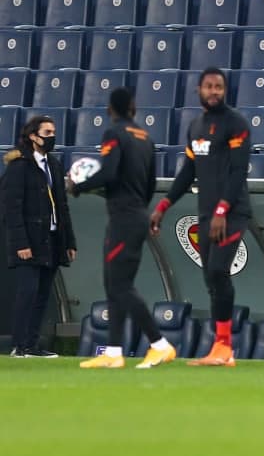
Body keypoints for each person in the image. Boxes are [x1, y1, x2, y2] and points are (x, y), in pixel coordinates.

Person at [149, 68, 252, 367]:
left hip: (232, 213)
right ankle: (221, 350)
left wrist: (222, 210)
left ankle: (224, 347)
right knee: (211, 279)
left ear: (225, 90)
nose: (214, 91)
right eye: (209, 86)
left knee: (219, 271)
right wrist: (164, 205)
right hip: (206, 214)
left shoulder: (236, 123)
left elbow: (238, 171)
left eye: (219, 86)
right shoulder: (195, 126)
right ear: (199, 90)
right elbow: (188, 172)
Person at [72, 88, 178, 369]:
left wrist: (78, 186)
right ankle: (114, 352)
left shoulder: (114, 134)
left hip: (123, 219)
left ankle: (159, 344)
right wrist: (140, 209)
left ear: (110, 110)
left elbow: (109, 172)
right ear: (133, 108)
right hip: (137, 214)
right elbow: (151, 183)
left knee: (120, 285)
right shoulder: (146, 138)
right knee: (114, 284)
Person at [3, 115, 76, 357]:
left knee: (42, 294)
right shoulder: (19, 166)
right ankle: (19, 344)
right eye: (47, 133)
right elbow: (11, 209)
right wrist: (21, 243)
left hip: (51, 239)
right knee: (28, 292)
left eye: (53, 132)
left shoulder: (53, 164)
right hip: (30, 240)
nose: (52, 137)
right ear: (33, 136)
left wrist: (69, 241)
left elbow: (62, 207)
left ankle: (32, 344)